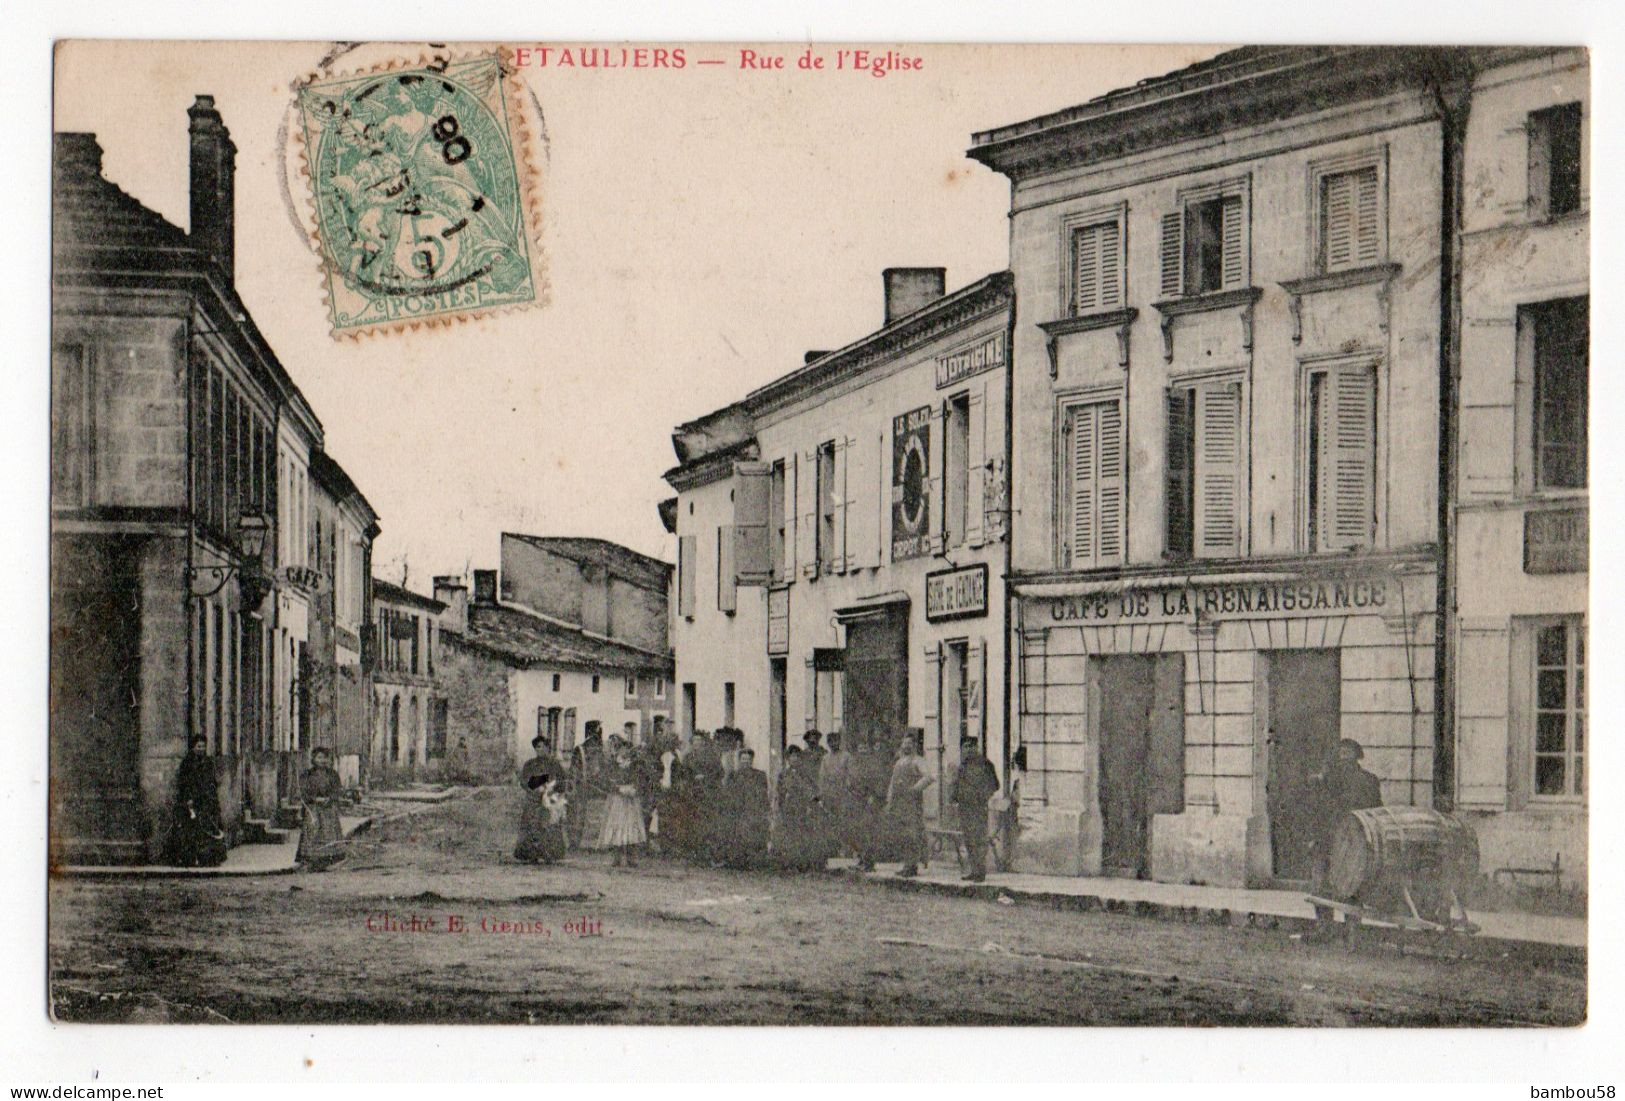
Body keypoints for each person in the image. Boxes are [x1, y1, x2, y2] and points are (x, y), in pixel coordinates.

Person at [1311, 738, 1385, 885]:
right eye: (1341, 753)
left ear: (1355, 756)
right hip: (1355, 834)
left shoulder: (1331, 779)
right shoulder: (1368, 779)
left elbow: (1376, 809)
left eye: (1346, 753)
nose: (1343, 757)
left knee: (1326, 871)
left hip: (1341, 833)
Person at [168, 736, 227, 867]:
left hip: (207, 801)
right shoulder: (187, 763)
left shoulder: (208, 762)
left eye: (203, 746)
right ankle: (191, 858)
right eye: (198, 746)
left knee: (208, 829)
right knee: (192, 831)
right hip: (192, 802)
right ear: (193, 747)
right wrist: (188, 799)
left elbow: (212, 781)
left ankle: (208, 859)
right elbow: (184, 783)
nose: (201, 749)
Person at [950, 736, 1002, 882]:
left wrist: (982, 796)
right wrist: (954, 799)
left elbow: (995, 785)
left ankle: (980, 871)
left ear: (976, 748)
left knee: (979, 839)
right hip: (964, 807)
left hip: (978, 808)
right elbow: (957, 785)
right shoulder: (962, 766)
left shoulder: (985, 764)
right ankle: (974, 870)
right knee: (969, 839)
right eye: (965, 747)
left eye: (970, 747)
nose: (967, 750)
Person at [882, 729, 933, 877]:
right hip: (898, 803)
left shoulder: (918, 760)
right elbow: (892, 783)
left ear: (915, 745)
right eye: (904, 743)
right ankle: (906, 864)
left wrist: (915, 789)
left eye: (909, 743)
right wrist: (889, 800)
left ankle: (912, 865)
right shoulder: (898, 762)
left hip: (911, 803)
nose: (906, 746)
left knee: (912, 833)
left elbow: (929, 777)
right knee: (901, 834)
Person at [717, 747, 771, 869]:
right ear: (740, 760)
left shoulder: (759, 775)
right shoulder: (734, 776)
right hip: (738, 811)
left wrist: (764, 810)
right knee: (738, 835)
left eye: (748, 759)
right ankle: (738, 861)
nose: (745, 761)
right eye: (743, 759)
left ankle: (753, 862)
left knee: (753, 836)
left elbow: (763, 794)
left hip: (753, 810)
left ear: (752, 760)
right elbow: (728, 793)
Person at [597, 744, 648, 866]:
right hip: (618, 801)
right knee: (617, 826)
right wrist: (618, 789)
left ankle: (631, 858)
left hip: (631, 802)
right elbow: (608, 781)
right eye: (621, 749)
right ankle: (617, 857)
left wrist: (633, 789)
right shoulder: (614, 766)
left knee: (631, 826)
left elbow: (640, 780)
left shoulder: (635, 766)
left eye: (626, 749)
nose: (623, 752)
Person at [517, 734, 566, 859]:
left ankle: (550, 853)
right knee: (532, 823)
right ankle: (531, 853)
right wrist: (536, 787)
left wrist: (550, 788)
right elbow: (524, 781)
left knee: (550, 824)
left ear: (547, 748)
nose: (540, 749)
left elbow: (561, 781)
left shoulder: (554, 764)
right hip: (533, 798)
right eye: (537, 747)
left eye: (542, 747)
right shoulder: (530, 764)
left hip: (550, 798)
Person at [297, 747, 346, 870]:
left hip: (328, 808)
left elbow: (337, 790)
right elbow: (303, 791)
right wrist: (313, 799)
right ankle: (311, 859)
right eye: (319, 757)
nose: (322, 760)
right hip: (313, 809)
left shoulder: (333, 774)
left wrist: (329, 799)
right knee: (313, 831)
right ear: (313, 759)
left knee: (329, 832)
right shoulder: (307, 775)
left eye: (324, 757)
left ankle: (329, 859)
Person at [852, 736, 895, 872]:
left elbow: (878, 783)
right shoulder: (856, 764)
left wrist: (873, 796)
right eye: (860, 748)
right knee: (859, 830)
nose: (862, 751)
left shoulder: (874, 764)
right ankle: (861, 859)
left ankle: (869, 862)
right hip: (858, 800)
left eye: (865, 748)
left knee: (868, 831)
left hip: (871, 801)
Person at [819, 731, 859, 857]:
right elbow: (822, 777)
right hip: (830, 794)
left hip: (843, 794)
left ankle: (848, 850)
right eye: (831, 742)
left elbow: (852, 775)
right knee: (831, 822)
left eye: (836, 741)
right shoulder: (825, 758)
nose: (833, 744)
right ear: (828, 743)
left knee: (845, 822)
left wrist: (848, 787)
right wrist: (823, 794)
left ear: (839, 742)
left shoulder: (846, 756)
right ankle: (833, 849)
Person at [514, 771, 568, 864]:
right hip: (538, 807)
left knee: (547, 828)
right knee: (536, 829)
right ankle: (533, 854)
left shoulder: (555, 776)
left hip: (547, 807)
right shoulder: (537, 776)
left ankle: (548, 854)